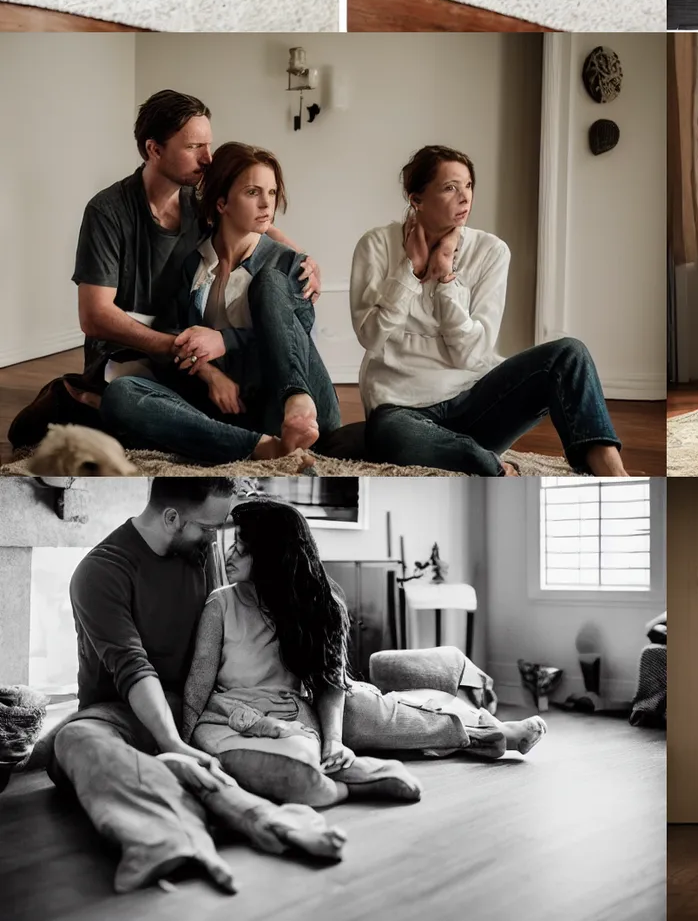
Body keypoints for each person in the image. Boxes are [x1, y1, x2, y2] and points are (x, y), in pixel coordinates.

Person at [51, 479, 551, 894]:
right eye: (211, 529)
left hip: (243, 700)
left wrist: (326, 728)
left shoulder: (199, 552)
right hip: (134, 706)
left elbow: (301, 657)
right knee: (78, 740)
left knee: (356, 709)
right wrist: (176, 742)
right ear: (172, 519)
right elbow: (135, 670)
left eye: (227, 534)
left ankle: (482, 726)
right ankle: (167, 838)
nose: (219, 544)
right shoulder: (101, 572)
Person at [6, 91, 321, 453]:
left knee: (223, 401)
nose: (208, 158)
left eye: (209, 144)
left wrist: (301, 258)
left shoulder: (201, 203)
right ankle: (251, 445)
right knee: (125, 399)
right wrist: (196, 360)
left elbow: (251, 220)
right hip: (135, 358)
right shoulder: (108, 211)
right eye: (194, 146)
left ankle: (99, 411)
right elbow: (95, 317)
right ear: (153, 149)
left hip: (190, 352)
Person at [350, 145, 628, 474]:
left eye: (468, 186)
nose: (465, 198)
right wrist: (410, 270)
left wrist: (446, 278)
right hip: (401, 408)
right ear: (416, 199)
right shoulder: (377, 245)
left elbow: (473, 356)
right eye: (450, 188)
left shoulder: (491, 251)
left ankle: (608, 465)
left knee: (570, 353)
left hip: (474, 403)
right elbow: (371, 336)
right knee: (391, 439)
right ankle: (487, 464)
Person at [178, 499, 430, 808]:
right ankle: (350, 786)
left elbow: (331, 685)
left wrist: (333, 743)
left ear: (271, 553)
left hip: (289, 718)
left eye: (241, 548)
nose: (230, 555)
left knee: (298, 769)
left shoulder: (322, 608)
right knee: (254, 770)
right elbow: (198, 682)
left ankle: (334, 775)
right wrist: (183, 745)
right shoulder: (221, 604)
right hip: (227, 718)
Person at [99, 142, 339, 464]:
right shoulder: (193, 265)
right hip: (232, 411)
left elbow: (295, 339)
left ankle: (276, 419)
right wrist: (211, 374)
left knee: (268, 284)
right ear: (222, 203)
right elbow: (173, 334)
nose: (267, 203)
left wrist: (224, 340)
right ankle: (258, 447)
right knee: (121, 394)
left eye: (271, 192)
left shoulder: (291, 266)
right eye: (253, 192)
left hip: (289, 407)